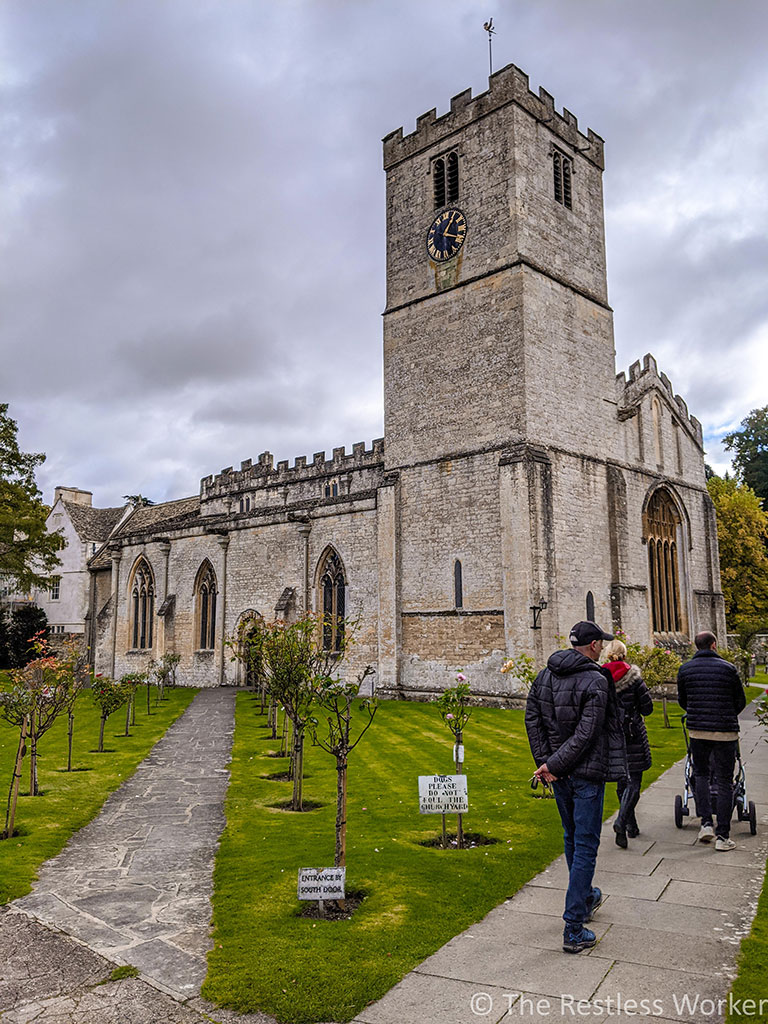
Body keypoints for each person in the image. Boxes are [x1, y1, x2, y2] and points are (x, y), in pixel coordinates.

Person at [525, 621, 627, 954]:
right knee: (584, 843)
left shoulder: (544, 675)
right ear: (595, 645)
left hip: (561, 773)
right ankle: (573, 925)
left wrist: (548, 763)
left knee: (572, 837)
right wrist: (550, 765)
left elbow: (533, 720)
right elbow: (587, 734)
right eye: (601, 643)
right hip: (583, 774)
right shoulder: (597, 681)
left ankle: (584, 897)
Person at [677, 630, 746, 852]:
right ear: (714, 645)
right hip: (724, 732)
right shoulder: (728, 669)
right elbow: (740, 701)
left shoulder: (685, 669)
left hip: (698, 731)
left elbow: (683, 700)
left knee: (701, 776)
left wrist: (697, 713)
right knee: (725, 781)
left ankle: (706, 823)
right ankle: (723, 835)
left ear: (697, 646)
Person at [602, 638, 653, 848]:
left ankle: (631, 826)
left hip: (611, 736)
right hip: (632, 734)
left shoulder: (599, 677)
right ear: (624, 654)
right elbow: (647, 708)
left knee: (622, 782)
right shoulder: (634, 678)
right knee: (634, 782)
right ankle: (621, 822)